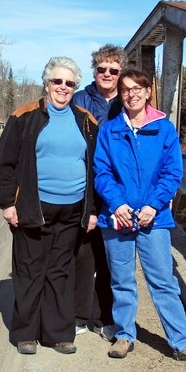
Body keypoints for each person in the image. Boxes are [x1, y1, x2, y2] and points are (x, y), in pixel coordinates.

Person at [93, 68, 186, 366]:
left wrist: (154, 205)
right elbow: (101, 171)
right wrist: (116, 204)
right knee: (121, 280)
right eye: (125, 90)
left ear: (147, 92)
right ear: (121, 95)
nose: (131, 94)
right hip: (117, 218)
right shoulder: (110, 130)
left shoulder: (164, 129)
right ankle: (124, 335)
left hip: (153, 218)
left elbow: (172, 173)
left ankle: (182, 341)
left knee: (163, 280)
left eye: (137, 89)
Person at [0, 56, 98, 355]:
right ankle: (26, 332)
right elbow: (4, 163)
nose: (63, 87)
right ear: (47, 83)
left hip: (73, 209)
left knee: (61, 271)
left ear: (75, 87)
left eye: (69, 83)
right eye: (57, 81)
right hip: (32, 207)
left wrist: (93, 210)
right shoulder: (24, 117)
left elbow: (96, 168)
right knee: (29, 269)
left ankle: (58, 333)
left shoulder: (86, 121)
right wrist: (6, 203)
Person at [71, 45, 127, 340]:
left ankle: (106, 317)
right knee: (83, 255)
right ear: (94, 71)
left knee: (110, 257)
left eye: (113, 70)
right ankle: (80, 315)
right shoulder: (80, 99)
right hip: (84, 188)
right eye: (102, 69)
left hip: (116, 191)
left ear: (121, 74)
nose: (107, 74)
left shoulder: (128, 102)